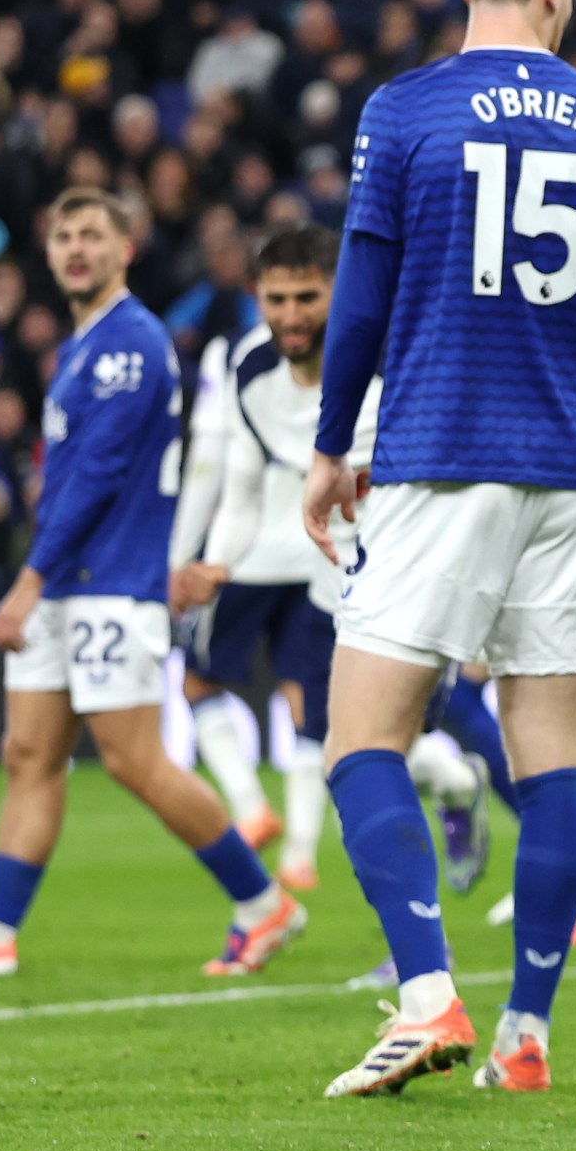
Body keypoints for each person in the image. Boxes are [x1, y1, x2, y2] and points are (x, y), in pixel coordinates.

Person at [300, 0, 576, 1097]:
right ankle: (526, 1034)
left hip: (438, 454)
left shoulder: (404, 108)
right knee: (551, 757)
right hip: (568, 479)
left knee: (361, 736)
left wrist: (328, 446)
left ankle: (424, 996)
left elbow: (357, 303)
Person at [0, 189, 304, 979]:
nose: (75, 248)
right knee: (28, 752)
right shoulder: (83, 347)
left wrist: (29, 579)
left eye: (92, 234)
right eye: (63, 236)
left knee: (133, 760)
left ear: (127, 248)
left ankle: (264, 903)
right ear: (47, 255)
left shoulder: (128, 344)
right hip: (74, 580)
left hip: (103, 584)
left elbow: (102, 476)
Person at [169, 226, 390, 893]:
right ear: (255, 296)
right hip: (266, 550)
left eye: (307, 297)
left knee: (356, 721)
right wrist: (206, 561)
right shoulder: (246, 366)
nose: (291, 314)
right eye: (276, 298)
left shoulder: (389, 358)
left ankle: (260, 815)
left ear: (339, 294)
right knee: (313, 708)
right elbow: (235, 473)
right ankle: (295, 848)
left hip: (354, 558)